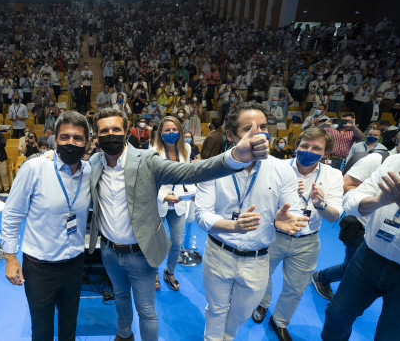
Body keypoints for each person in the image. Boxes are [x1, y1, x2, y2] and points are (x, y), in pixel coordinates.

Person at [87, 107, 270, 341]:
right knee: (120, 297)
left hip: (140, 253)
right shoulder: (94, 163)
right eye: (104, 131)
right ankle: (124, 334)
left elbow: (191, 171)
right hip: (109, 251)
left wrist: (234, 157)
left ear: (126, 132)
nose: (110, 134)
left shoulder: (147, 160)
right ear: (97, 136)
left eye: (116, 129)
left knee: (146, 310)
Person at [322, 108, 400, 340]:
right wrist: (379, 201)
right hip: (369, 257)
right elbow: (351, 200)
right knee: (336, 315)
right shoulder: (398, 161)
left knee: (396, 336)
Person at [194, 104, 309, 341]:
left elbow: (292, 212)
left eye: (264, 127)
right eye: (249, 128)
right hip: (219, 253)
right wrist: (232, 226)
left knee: (240, 314)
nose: (259, 134)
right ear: (231, 135)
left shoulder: (282, 170)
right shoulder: (213, 167)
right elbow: (202, 214)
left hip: (258, 259)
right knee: (215, 309)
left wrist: (284, 221)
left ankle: (227, 337)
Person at [2, 111, 91, 341]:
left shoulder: (90, 171)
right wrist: (10, 258)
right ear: (55, 140)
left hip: (74, 263)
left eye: (78, 138)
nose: (71, 142)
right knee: (41, 330)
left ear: (87, 143)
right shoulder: (34, 169)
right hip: (40, 267)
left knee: (69, 324)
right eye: (65, 137)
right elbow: (12, 213)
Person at [312, 121, 400, 302]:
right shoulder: (378, 159)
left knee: (365, 269)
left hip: (390, 230)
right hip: (361, 225)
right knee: (354, 267)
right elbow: (346, 185)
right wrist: (380, 196)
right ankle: (322, 278)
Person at [252, 128, 344, 340]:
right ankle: (262, 303)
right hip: (274, 235)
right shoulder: (277, 168)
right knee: (262, 276)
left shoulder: (333, 175)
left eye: (316, 148)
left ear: (325, 153)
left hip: (307, 240)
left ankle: (280, 321)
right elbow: (259, 205)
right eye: (304, 145)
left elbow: (333, 216)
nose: (308, 151)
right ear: (296, 146)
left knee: (296, 287)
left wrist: (321, 204)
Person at [150, 116, 194, 291]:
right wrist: (163, 196)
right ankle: (153, 272)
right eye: (167, 130)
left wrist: (192, 193)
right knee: (156, 242)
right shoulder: (153, 150)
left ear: (180, 132)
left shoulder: (186, 148)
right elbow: (150, 178)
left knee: (176, 242)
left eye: (174, 130)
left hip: (179, 202)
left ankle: (169, 272)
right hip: (160, 201)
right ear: (161, 132)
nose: (171, 133)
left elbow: (188, 173)